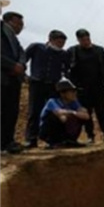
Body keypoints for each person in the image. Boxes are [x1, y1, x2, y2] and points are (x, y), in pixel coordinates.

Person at [67, 29, 104, 144]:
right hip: (82, 89)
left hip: (98, 87)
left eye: (87, 39)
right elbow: (67, 69)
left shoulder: (99, 51)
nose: (85, 41)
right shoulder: (73, 51)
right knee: (86, 113)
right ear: (78, 40)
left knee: (102, 112)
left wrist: (103, 82)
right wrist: (75, 84)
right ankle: (90, 136)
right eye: (82, 40)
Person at [23, 30, 71, 148]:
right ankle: (31, 139)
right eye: (59, 42)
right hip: (37, 84)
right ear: (51, 40)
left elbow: (68, 69)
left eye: (63, 43)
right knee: (34, 111)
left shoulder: (64, 54)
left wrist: (64, 82)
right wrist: (25, 76)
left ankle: (53, 139)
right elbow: (22, 60)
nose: (61, 45)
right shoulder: (36, 48)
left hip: (53, 86)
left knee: (54, 112)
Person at [1, 10, 27, 154]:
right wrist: (12, 66)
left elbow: (22, 53)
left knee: (11, 111)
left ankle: (7, 142)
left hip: (13, 79)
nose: (21, 27)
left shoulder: (14, 38)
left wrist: (21, 66)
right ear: (9, 21)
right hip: (2, 76)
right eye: (19, 23)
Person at [39, 78, 90, 149]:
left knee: (78, 117)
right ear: (62, 94)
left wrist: (73, 113)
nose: (75, 93)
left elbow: (86, 116)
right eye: (72, 91)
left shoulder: (74, 102)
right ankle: (53, 142)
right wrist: (73, 113)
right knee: (53, 116)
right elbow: (59, 114)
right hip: (46, 131)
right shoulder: (52, 101)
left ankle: (70, 140)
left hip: (64, 127)